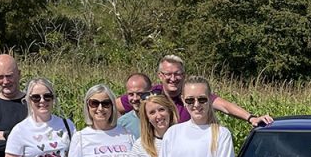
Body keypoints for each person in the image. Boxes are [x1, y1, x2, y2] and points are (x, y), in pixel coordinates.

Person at [116, 55, 272, 127]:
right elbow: (114, 105)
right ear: (160, 76)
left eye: (177, 74)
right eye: (168, 74)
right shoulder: (151, 95)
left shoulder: (192, 96)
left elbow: (224, 105)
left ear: (184, 75)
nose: (173, 78)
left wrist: (251, 118)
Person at [118, 73, 151, 138]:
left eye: (139, 94)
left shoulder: (160, 118)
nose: (135, 98)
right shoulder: (122, 124)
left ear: (150, 92)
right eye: (131, 94)